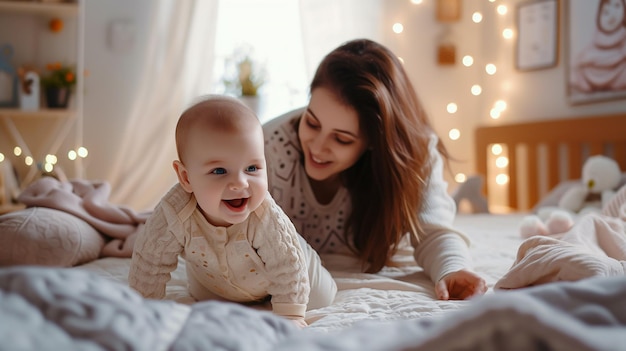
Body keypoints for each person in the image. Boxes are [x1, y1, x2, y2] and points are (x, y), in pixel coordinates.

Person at [263, 39, 487, 300]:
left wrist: (453, 268)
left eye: (342, 139)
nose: (318, 147)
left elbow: (431, 230)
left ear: (374, 141)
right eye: (311, 123)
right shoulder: (265, 147)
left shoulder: (414, 154)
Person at [129, 95, 336, 328]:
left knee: (320, 297)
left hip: (287, 258)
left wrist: (291, 316)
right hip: (214, 279)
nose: (240, 183)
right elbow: (150, 261)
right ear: (186, 177)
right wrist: (143, 309)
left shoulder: (265, 216)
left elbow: (288, 266)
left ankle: (303, 260)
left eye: (252, 168)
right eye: (219, 171)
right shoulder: (173, 214)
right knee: (203, 297)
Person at [569, 0, 626, 93]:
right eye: (606, 12)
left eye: (617, 6)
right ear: (598, 15)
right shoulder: (583, 62)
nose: (612, 14)